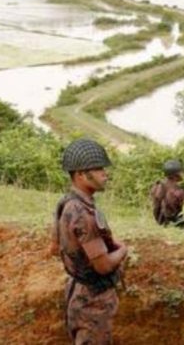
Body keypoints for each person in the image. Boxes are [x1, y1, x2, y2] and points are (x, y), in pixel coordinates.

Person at [50, 138, 128, 344]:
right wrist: (122, 250)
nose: (105, 174)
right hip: (93, 300)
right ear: (81, 175)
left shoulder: (66, 203)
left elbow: (54, 247)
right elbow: (103, 266)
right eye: (99, 169)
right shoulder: (83, 214)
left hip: (77, 292)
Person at [150, 159, 184, 227]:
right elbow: (183, 207)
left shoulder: (157, 185)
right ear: (176, 174)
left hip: (159, 220)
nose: (183, 174)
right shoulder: (177, 191)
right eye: (181, 172)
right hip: (173, 222)